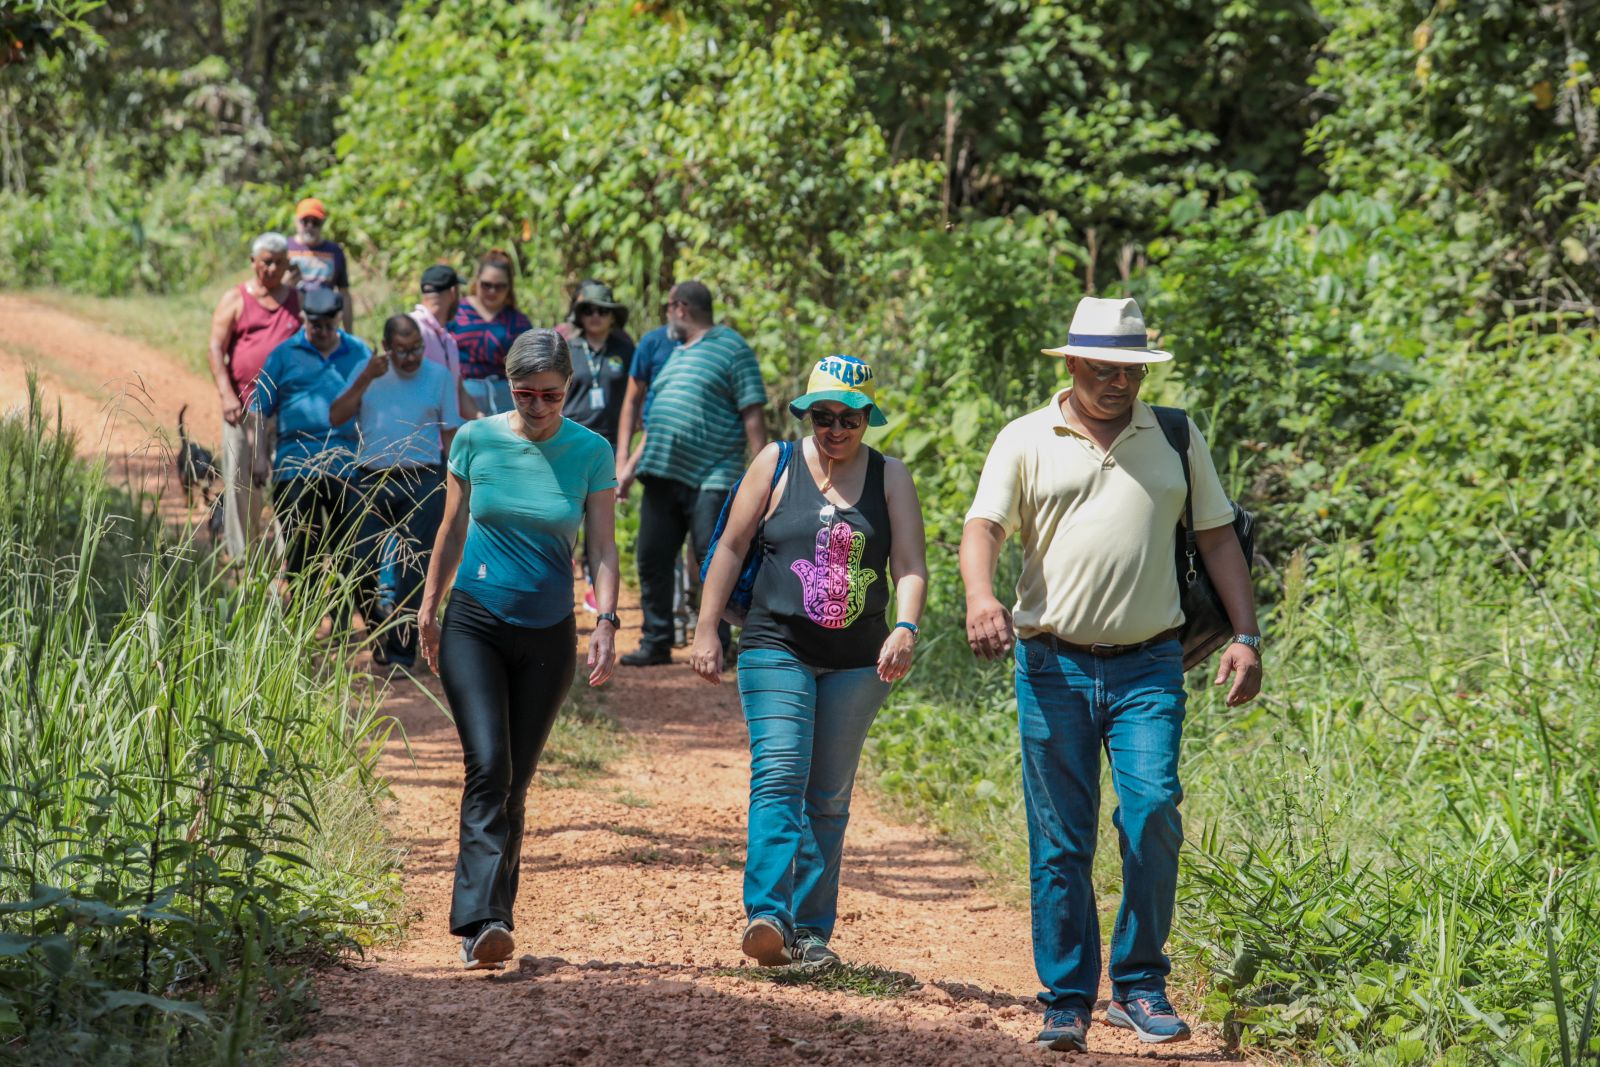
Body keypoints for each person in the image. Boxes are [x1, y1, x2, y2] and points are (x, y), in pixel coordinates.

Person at [960, 296, 1263, 1054]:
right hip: (1052, 665)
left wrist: (1248, 634)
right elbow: (983, 527)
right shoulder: (1026, 437)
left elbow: (1218, 536)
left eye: (1131, 369)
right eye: (1103, 369)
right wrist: (981, 596)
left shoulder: (1174, 434)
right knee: (1061, 837)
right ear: (1071, 365)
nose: (1118, 382)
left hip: (1150, 665)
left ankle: (1138, 984)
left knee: (1153, 809)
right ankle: (1066, 999)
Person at [691, 354, 927, 971]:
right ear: (808, 415)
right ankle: (768, 914)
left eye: (849, 418)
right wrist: (706, 627)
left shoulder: (890, 476)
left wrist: (906, 625)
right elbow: (731, 545)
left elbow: (908, 563)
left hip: (857, 661)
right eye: (822, 416)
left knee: (827, 797)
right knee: (780, 773)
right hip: (775, 646)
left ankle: (812, 933)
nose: (835, 430)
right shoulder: (777, 462)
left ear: (868, 418)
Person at [416, 328, 621, 971]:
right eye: (525, 393)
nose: (537, 406)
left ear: (570, 390)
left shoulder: (590, 451)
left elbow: (603, 548)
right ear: (507, 387)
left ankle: (496, 914)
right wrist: (428, 607)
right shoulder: (476, 439)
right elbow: (450, 531)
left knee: (516, 782)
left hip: (548, 632)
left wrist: (607, 620)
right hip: (474, 622)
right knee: (488, 766)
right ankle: (481, 922)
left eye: (550, 395)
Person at [621, 281, 767, 667]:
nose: (667, 316)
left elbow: (752, 409)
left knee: (713, 557)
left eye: (668, 308)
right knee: (652, 556)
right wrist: (631, 466)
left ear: (681, 308)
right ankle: (657, 640)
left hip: (713, 474)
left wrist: (761, 474)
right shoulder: (679, 351)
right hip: (664, 472)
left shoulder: (732, 347)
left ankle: (717, 642)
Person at [330, 314, 464, 666]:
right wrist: (365, 379)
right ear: (387, 347)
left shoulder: (438, 376)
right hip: (370, 478)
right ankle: (378, 633)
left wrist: (459, 484)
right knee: (359, 564)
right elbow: (335, 415)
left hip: (422, 478)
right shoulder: (367, 369)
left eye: (416, 348)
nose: (410, 357)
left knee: (415, 569)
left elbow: (450, 433)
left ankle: (403, 652)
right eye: (402, 350)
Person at [251, 288, 372, 611]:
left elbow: (377, 403)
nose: (320, 333)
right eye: (314, 326)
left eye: (328, 326)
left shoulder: (359, 352)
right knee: (302, 542)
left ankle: (344, 616)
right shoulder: (284, 353)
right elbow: (260, 408)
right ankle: (304, 613)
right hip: (295, 460)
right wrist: (261, 455)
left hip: (347, 461)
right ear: (305, 320)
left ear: (338, 320)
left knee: (348, 544)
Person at [205, 231, 301, 560]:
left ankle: (287, 558)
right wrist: (226, 394)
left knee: (287, 484)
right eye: (266, 262)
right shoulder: (235, 299)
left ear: (288, 263)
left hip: (286, 411)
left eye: (278, 263)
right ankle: (244, 558)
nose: (272, 269)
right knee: (240, 482)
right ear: (253, 263)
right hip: (243, 409)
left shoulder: (296, 301)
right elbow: (216, 348)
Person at [450, 249, 532, 416]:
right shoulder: (455, 312)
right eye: (486, 285)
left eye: (499, 286)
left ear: (509, 288)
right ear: (476, 281)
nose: (492, 291)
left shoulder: (518, 322)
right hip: (461, 394)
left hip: (505, 397)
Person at [560, 279, 635, 449]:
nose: (595, 316)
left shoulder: (625, 349)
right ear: (580, 315)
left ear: (612, 316)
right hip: (572, 437)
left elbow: (637, 392)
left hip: (612, 440)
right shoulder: (567, 348)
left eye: (602, 311)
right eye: (588, 311)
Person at [614, 314, 681, 500]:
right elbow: (632, 400)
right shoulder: (653, 342)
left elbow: (662, 423)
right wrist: (623, 462)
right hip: (656, 462)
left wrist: (628, 468)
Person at [411, 265, 478, 421]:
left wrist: (485, 423)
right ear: (453, 292)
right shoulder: (413, 330)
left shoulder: (447, 339)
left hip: (446, 440)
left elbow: (458, 390)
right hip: (419, 439)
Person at [285, 198, 353, 333]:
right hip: (292, 323)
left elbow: (344, 293)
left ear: (322, 224)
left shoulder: (334, 251)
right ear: (296, 222)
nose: (310, 226)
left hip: (325, 324)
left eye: (315, 222)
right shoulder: (285, 248)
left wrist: (349, 332)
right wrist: (287, 283)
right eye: (305, 221)